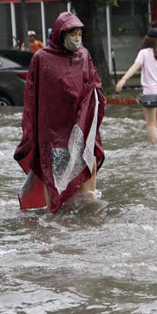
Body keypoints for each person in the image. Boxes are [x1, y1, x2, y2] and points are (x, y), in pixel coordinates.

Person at [14, 12, 106, 213]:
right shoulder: (41, 58)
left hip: (79, 126)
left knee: (87, 164)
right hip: (53, 130)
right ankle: (52, 215)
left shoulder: (83, 55)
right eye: (72, 34)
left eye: (79, 33)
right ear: (60, 34)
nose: (77, 38)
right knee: (53, 174)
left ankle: (90, 214)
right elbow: (32, 95)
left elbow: (93, 84)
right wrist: (32, 130)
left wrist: (93, 100)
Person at [116, 28, 157, 145]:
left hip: (151, 93)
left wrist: (123, 80)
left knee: (150, 124)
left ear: (147, 39)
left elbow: (135, 67)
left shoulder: (144, 53)